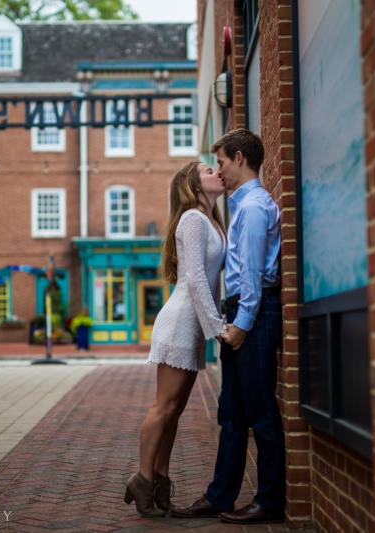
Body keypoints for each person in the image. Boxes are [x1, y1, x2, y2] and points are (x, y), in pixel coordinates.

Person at [171, 129, 284, 524]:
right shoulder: (242, 206)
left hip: (250, 317)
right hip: (241, 315)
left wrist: (240, 325)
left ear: (238, 158)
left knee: (260, 411)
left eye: (219, 162)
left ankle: (270, 501)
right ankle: (220, 497)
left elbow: (252, 276)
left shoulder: (252, 208)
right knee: (231, 413)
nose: (218, 170)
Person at [124, 161, 227, 517]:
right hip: (183, 320)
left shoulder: (212, 220)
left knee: (176, 411)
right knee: (164, 406)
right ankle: (142, 478)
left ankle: (161, 480)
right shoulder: (194, 219)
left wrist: (212, 324)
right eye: (208, 169)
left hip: (195, 323)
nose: (217, 171)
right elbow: (197, 280)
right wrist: (218, 327)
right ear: (191, 184)